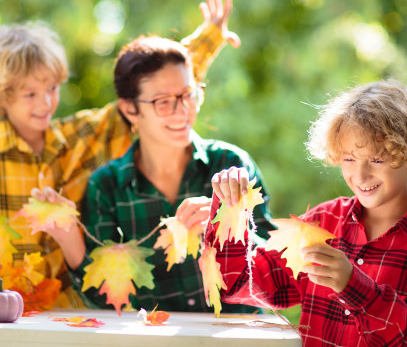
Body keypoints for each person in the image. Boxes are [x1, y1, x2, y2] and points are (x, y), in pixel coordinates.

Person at [0, 0, 239, 308]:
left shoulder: (78, 138)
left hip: (63, 311)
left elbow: (153, 91)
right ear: (0, 96)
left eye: (53, 88)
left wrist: (209, 37)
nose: (45, 103)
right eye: (30, 94)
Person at [208, 79, 407, 345]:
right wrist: (230, 209)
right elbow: (236, 284)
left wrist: (356, 287)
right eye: (349, 159)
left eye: (377, 159)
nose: (361, 174)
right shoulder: (323, 222)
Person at [40, 34, 275, 313]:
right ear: (130, 109)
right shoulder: (107, 186)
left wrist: (227, 230)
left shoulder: (230, 165)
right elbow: (106, 298)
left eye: (188, 95)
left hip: (236, 337)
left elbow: (274, 277)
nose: (182, 112)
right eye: (163, 102)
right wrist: (71, 243)